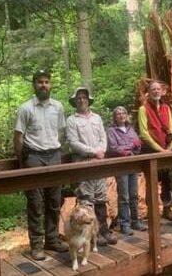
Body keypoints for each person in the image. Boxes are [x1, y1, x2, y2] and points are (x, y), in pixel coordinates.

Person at [13, 69, 69, 261]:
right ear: (34, 85)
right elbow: (18, 137)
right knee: (35, 203)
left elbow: (60, 132)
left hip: (54, 155)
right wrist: (22, 163)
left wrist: (55, 150)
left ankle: (52, 240)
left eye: (46, 82)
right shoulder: (26, 108)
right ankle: (36, 244)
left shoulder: (58, 107)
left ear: (50, 84)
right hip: (34, 157)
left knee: (55, 200)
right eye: (40, 82)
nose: (43, 85)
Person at [66, 87, 118, 246]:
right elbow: (73, 143)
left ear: (89, 100)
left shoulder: (97, 118)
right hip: (83, 164)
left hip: (99, 164)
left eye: (84, 97)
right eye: (79, 98)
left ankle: (103, 231)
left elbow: (103, 137)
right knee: (86, 199)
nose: (82, 100)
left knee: (101, 197)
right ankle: (90, 236)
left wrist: (101, 151)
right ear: (75, 101)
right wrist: (94, 152)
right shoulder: (71, 120)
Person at [138, 80, 172, 221]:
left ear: (162, 91)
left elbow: (171, 129)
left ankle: (167, 208)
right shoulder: (143, 109)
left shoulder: (166, 108)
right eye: (153, 89)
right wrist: (160, 150)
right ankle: (152, 211)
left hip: (165, 149)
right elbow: (144, 133)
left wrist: (169, 147)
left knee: (167, 180)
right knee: (151, 181)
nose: (156, 91)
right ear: (149, 92)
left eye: (158, 89)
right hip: (150, 150)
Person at [107, 106, 148, 235]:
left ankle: (135, 221)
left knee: (134, 195)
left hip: (133, 165)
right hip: (121, 166)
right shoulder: (111, 131)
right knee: (124, 196)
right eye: (118, 113)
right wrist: (129, 147)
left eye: (123, 113)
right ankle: (124, 223)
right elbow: (113, 148)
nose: (121, 115)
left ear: (126, 115)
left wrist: (129, 148)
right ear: (115, 117)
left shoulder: (131, 129)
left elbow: (138, 145)